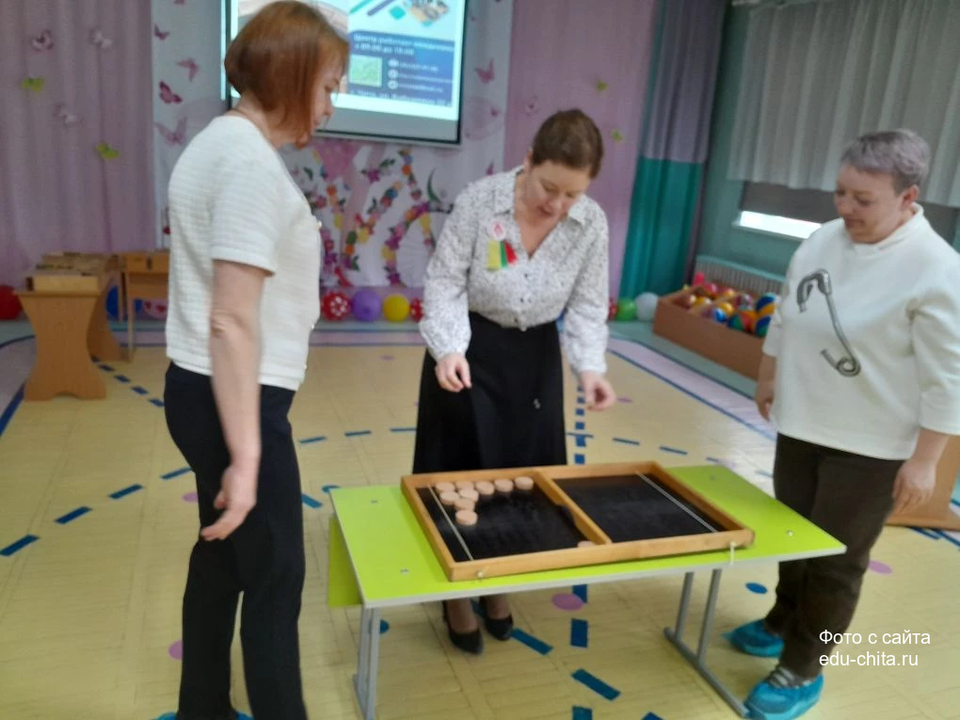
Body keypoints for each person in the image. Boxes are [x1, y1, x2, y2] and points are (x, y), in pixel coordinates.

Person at [729, 129, 960, 720]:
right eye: (840, 193)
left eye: (863, 199)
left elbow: (949, 377)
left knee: (836, 561)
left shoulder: (937, 269)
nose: (845, 208)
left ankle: (804, 666)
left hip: (871, 446)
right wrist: (768, 373)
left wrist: (926, 460)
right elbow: (789, 310)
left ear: (908, 197)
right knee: (792, 537)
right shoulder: (823, 239)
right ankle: (782, 619)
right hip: (802, 424)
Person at [158, 3, 348, 719]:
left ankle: (202, 705)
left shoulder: (220, 142)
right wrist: (246, 456)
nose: (329, 107)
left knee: (224, 557)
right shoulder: (247, 165)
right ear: (292, 75)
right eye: (327, 87)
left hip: (206, 388)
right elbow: (232, 319)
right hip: (235, 398)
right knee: (275, 573)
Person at [414, 109, 617, 654]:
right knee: (458, 471)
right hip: (469, 350)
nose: (558, 204)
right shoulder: (481, 202)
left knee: (520, 478)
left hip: (534, 360)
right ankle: (457, 590)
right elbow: (445, 282)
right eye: (549, 187)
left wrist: (590, 368)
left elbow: (588, 304)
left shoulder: (590, 224)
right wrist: (449, 349)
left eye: (573, 194)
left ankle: (498, 581)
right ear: (528, 160)